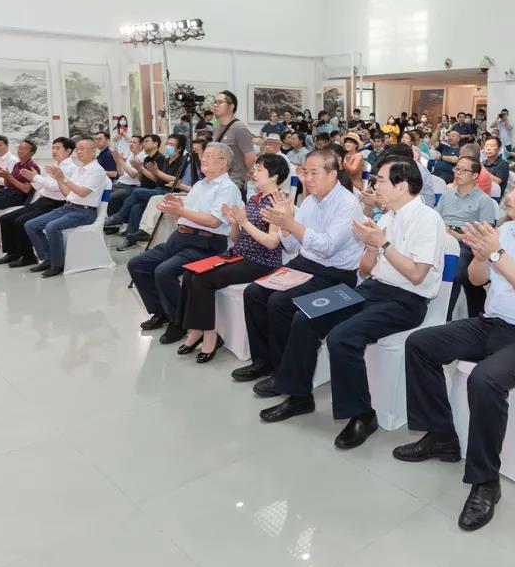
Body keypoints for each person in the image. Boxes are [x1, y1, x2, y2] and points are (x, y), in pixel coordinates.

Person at [395, 165, 515, 531]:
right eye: (511, 187)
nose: (509, 195)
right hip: (493, 324)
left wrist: (496, 254)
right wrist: (482, 256)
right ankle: (442, 437)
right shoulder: (507, 230)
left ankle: (485, 482)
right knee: (420, 343)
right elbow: (477, 280)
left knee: (484, 379)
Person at [257, 156, 446, 438]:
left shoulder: (427, 219)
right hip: (373, 289)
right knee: (305, 316)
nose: (375, 185)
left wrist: (382, 244)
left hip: (406, 301)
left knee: (342, 336)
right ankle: (299, 396)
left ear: (402, 185)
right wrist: (371, 248)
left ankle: (362, 414)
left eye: (381, 180)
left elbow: (417, 275)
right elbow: (367, 270)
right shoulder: (388, 218)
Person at [232, 149, 365, 393]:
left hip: (334, 275)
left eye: (314, 173)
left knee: (279, 302)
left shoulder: (348, 204)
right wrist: (284, 225)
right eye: (305, 172)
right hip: (305, 264)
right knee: (255, 292)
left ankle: (285, 374)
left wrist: (290, 223)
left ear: (333, 174)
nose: (308, 178)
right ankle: (265, 361)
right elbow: (292, 245)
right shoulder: (311, 202)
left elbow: (326, 247)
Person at [174, 154, 289, 361]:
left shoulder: (278, 203)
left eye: (260, 169)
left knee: (202, 279)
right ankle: (197, 328)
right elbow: (237, 239)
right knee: (190, 272)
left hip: (261, 262)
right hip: (239, 254)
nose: (254, 173)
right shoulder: (254, 199)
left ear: (275, 176)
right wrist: (234, 222)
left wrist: (244, 222)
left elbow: (272, 242)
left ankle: (210, 334)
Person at [128, 142, 242, 340]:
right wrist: (176, 207)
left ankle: (179, 321)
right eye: (203, 155)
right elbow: (187, 213)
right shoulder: (200, 185)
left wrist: (180, 211)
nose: (203, 158)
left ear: (223, 162)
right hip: (181, 238)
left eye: (208, 155)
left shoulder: (227, 188)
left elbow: (213, 221)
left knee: (164, 271)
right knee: (137, 264)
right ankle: (162, 311)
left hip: (206, 243)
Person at [23, 138, 108, 278]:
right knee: (31, 225)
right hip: (69, 207)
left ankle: (57, 264)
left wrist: (63, 178)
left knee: (51, 227)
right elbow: (67, 193)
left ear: (93, 152)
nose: (79, 152)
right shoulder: (79, 170)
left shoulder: (97, 171)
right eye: (78, 149)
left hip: (85, 212)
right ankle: (47, 258)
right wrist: (58, 178)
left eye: (82, 149)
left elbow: (82, 192)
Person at [0, 137, 76, 268]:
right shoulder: (55, 165)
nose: (54, 151)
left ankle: (28, 256)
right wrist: (32, 179)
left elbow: (56, 187)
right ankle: (13, 252)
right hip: (43, 200)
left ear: (68, 151)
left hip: (56, 203)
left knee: (21, 222)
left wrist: (36, 177)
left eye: (58, 148)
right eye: (53, 148)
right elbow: (42, 187)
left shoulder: (70, 168)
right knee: (6, 218)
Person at [435, 156, 499, 321]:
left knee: (455, 270)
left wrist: (461, 236)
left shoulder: (484, 201)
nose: (458, 173)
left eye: (464, 170)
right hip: (443, 236)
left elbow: (486, 234)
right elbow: (435, 218)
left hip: (467, 243)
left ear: (475, 175)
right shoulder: (446, 195)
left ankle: (445, 318)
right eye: (457, 169)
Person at [112, 134, 190, 250]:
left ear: (179, 148)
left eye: (172, 145)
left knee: (137, 192)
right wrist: (149, 171)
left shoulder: (183, 162)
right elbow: (157, 179)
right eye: (167, 144)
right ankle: (131, 239)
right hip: (158, 189)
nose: (168, 146)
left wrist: (156, 172)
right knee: (136, 207)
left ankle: (118, 217)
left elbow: (177, 181)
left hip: (170, 192)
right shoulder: (166, 160)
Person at [212, 90, 256, 193]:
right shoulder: (217, 127)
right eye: (215, 102)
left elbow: (250, 157)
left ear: (231, 106)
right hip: (218, 181)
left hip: (233, 183)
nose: (215, 105)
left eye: (220, 102)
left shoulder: (239, 128)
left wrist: (242, 176)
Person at [108, 134, 146, 216]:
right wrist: (118, 162)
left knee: (112, 197)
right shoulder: (131, 155)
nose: (131, 144)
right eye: (131, 142)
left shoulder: (143, 157)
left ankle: (115, 221)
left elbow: (133, 175)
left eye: (134, 142)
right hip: (121, 183)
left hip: (131, 186)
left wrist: (120, 161)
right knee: (103, 192)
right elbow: (121, 174)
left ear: (141, 145)